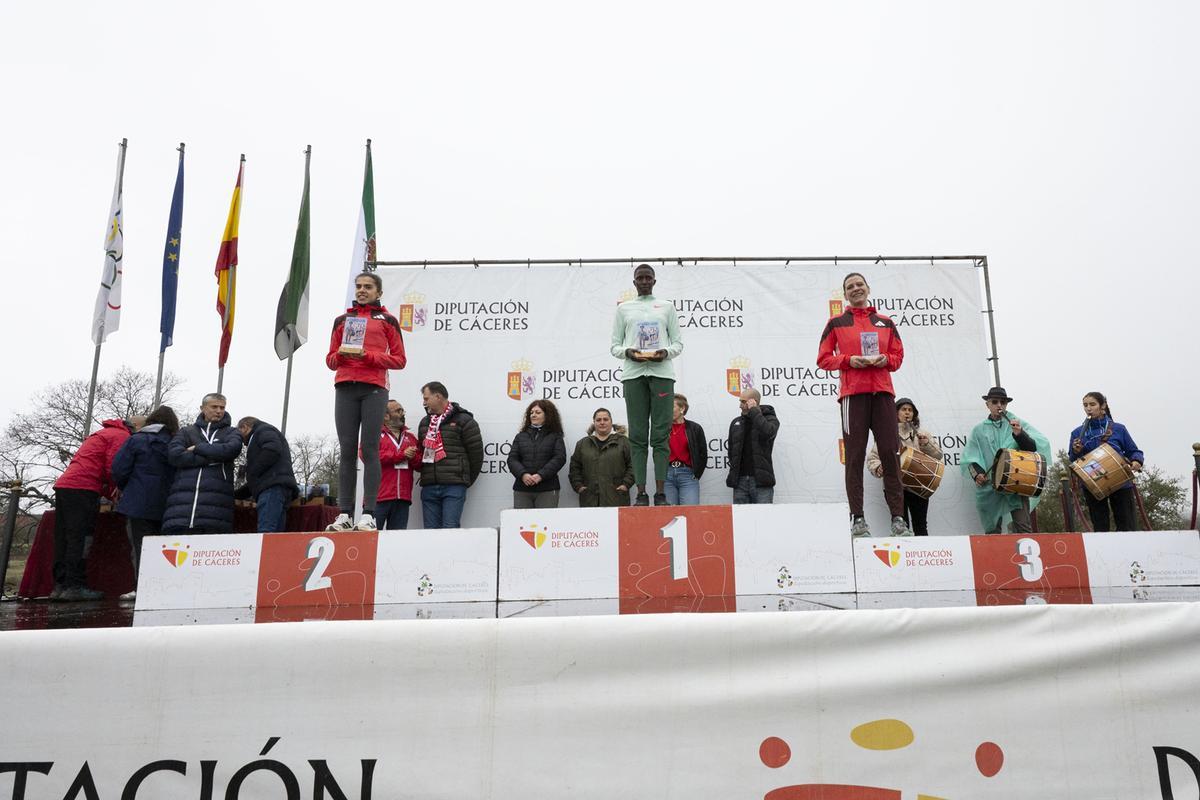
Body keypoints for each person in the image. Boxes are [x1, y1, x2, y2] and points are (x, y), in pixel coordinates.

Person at [325, 271, 407, 532]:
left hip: (373, 388)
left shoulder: (388, 320)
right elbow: (329, 360)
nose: (362, 290)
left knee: (369, 449)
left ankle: (369, 514)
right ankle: (345, 514)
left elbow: (399, 360)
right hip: (345, 386)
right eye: (359, 286)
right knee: (347, 450)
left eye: (368, 287)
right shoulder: (342, 320)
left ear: (378, 292)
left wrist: (368, 355)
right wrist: (339, 354)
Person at [610, 263, 684, 507]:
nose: (643, 281)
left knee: (661, 436)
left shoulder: (667, 307)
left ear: (654, 281)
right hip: (633, 375)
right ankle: (641, 493)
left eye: (647, 278)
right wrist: (629, 352)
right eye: (639, 278)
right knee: (638, 436)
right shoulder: (624, 309)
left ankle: (660, 493)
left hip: (661, 373)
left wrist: (665, 352)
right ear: (634, 283)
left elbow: (678, 344)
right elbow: (615, 346)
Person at [49, 415, 140, 601]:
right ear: (135, 428)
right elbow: (114, 468)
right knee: (81, 538)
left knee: (64, 537)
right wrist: (117, 492)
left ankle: (60, 585)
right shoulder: (122, 437)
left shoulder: (102, 433)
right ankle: (75, 586)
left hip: (65, 486)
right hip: (85, 488)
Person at [963, 386, 1052, 534]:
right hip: (989, 486)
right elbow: (970, 456)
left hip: (1015, 483)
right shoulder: (978, 430)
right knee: (992, 530)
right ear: (987, 405)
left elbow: (1032, 448)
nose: (999, 405)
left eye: (1003, 402)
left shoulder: (1017, 423)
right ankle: (995, 556)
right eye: (995, 402)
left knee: (1023, 526)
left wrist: (1020, 434)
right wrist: (977, 474)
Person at [112, 405, 179, 600]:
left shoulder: (136, 440)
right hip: (169, 502)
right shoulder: (175, 442)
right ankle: (166, 587)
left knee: (141, 546)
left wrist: (126, 485)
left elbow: (119, 469)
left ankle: (142, 588)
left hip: (138, 501)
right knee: (168, 548)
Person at [163, 393, 244, 535]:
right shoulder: (186, 432)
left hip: (216, 512)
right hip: (181, 511)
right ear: (203, 408)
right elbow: (175, 456)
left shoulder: (232, 432)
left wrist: (198, 448)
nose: (219, 411)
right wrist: (213, 457)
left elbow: (230, 450)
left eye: (222, 407)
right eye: (214, 407)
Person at [1069, 391, 1144, 531]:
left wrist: (1136, 461)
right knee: (1100, 527)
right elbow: (1073, 460)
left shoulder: (1118, 429)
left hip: (1120, 481)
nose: (1088, 408)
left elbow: (1134, 451)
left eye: (1092, 404)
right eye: (1085, 405)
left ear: (1102, 406)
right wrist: (1076, 451)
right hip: (1093, 483)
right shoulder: (1077, 433)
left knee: (1127, 525)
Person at [867, 397, 942, 535]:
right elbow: (873, 459)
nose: (907, 413)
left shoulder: (922, 434)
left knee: (920, 526)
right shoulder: (887, 435)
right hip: (895, 486)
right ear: (895, 413)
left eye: (910, 410)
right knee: (900, 526)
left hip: (918, 486)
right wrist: (879, 468)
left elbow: (938, 455)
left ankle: (922, 555)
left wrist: (926, 444)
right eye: (903, 410)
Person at [416, 381, 483, 528]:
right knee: (430, 532)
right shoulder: (425, 422)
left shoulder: (464, 420)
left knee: (450, 529)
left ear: (438, 396)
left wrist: (463, 480)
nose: (424, 403)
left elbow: (476, 455)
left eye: (426, 399)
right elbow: (421, 453)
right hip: (429, 486)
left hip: (454, 485)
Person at [236, 416, 298, 533]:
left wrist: (252, 470)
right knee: (276, 536)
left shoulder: (263, 430)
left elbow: (272, 449)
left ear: (244, 427)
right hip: (279, 486)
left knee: (266, 531)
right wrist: (239, 493)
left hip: (272, 488)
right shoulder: (266, 431)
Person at [507, 399, 568, 509]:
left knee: (546, 524)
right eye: (531, 413)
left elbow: (559, 458)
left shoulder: (555, 436)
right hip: (522, 489)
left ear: (548, 415)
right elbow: (512, 459)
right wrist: (523, 474)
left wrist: (541, 475)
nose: (533, 415)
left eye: (538, 412)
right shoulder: (521, 436)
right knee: (522, 524)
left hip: (548, 489)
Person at [569, 408, 636, 507]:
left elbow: (633, 465)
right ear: (594, 422)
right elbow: (575, 467)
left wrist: (626, 485)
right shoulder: (583, 444)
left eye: (605, 419)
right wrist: (579, 486)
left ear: (611, 422)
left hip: (616, 498)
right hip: (589, 500)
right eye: (598, 420)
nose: (602, 422)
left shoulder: (623, 442)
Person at [726, 389, 780, 504]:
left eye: (743, 402)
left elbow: (768, 432)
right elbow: (731, 451)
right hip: (740, 482)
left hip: (761, 482)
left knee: (765, 519)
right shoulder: (736, 422)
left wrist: (754, 411)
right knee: (740, 520)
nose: (740, 405)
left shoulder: (770, 419)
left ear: (753, 402)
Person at [377, 399, 422, 530]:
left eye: (403, 410)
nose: (402, 414)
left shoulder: (411, 437)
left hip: (402, 499)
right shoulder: (374, 435)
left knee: (396, 542)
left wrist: (412, 457)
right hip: (378, 498)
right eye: (398, 411)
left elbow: (420, 465)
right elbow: (368, 456)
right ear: (386, 416)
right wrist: (401, 455)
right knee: (371, 540)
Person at [663, 393, 707, 506]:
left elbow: (703, 454)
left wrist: (696, 474)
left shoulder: (695, 428)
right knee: (669, 515)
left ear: (682, 408)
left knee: (691, 513)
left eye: (671, 406)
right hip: (667, 475)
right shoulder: (663, 428)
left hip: (688, 475)